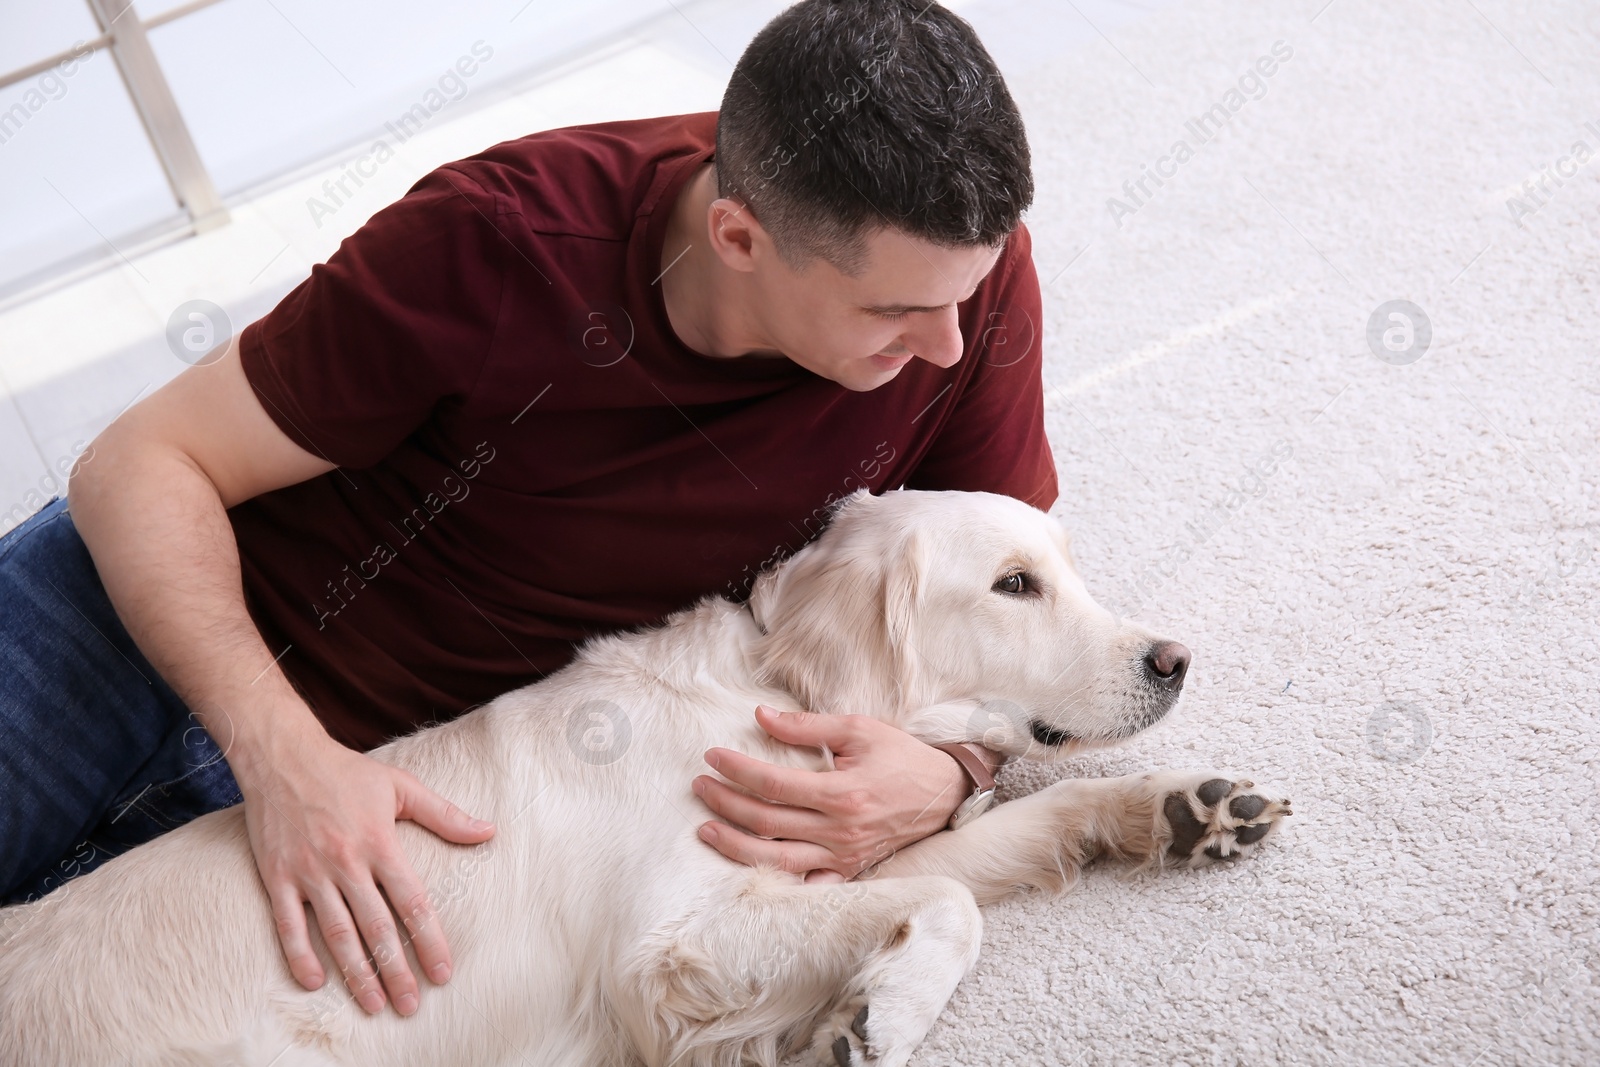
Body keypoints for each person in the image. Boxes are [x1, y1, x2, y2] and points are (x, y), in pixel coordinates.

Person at [0, 0, 1054, 1022]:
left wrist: (952, 767)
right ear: (736, 237)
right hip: (124, 635)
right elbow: (141, 462)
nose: (949, 344)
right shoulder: (499, 239)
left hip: (414, 787)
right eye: (895, 311)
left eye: (966, 290)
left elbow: (1013, 586)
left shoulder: (964, 281)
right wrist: (284, 756)